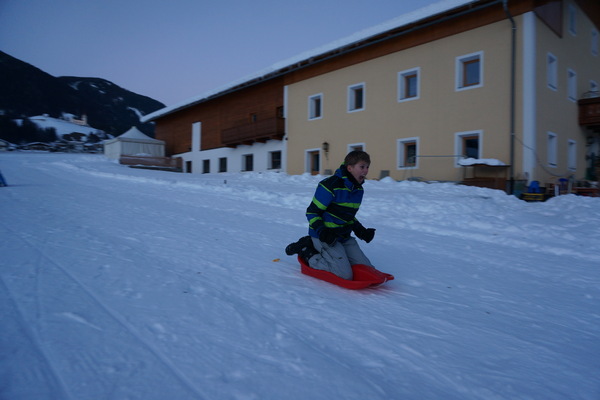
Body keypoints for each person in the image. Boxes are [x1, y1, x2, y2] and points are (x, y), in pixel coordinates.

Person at [285, 150, 376, 280]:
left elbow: (347, 215)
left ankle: (335, 257)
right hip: (324, 236)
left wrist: (361, 231)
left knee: (368, 269)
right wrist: (323, 232)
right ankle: (307, 250)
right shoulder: (329, 186)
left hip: (343, 237)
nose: (366, 171)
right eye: (362, 167)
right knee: (344, 274)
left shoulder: (358, 190)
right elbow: (312, 212)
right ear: (349, 168)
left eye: (367, 167)